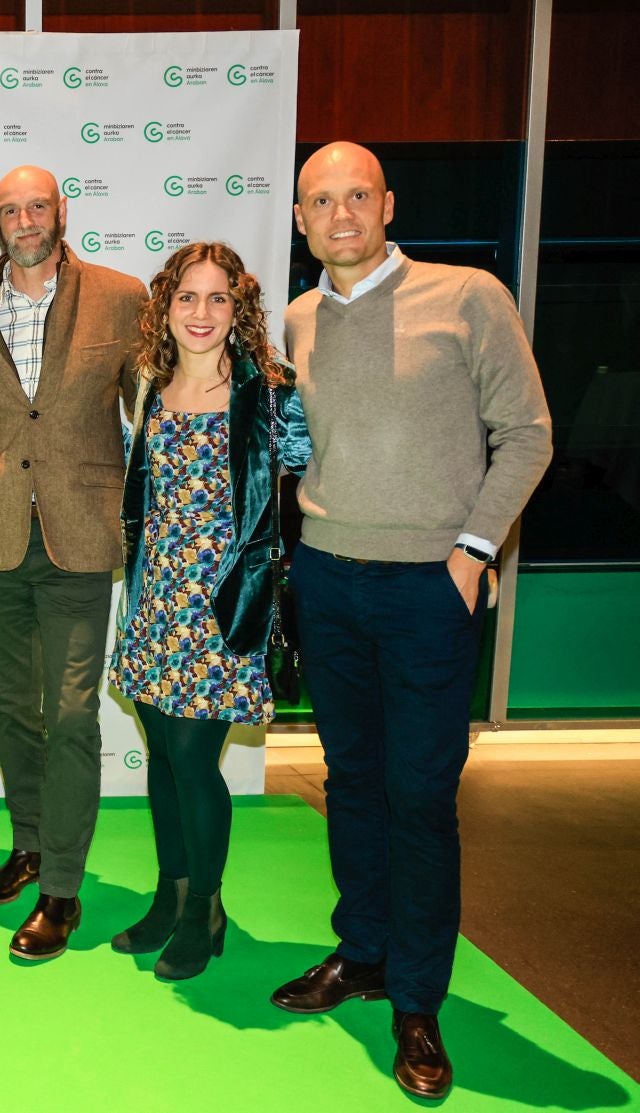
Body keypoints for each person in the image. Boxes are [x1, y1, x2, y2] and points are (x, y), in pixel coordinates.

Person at [268, 141, 551, 1100]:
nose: (339, 213)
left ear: (388, 203)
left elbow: (529, 432)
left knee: (421, 798)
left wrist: (473, 551)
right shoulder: (300, 318)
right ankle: (365, 953)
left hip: (430, 585)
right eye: (320, 200)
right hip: (328, 579)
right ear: (301, 219)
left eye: (356, 195)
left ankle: (419, 1000)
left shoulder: (469, 295)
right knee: (350, 782)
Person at [0, 165, 145, 960]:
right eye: (9, 210)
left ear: (61, 211)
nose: (25, 220)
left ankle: (61, 887)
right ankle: (28, 845)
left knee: (70, 715)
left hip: (81, 535)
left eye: (37, 206)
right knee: (12, 707)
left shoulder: (123, 297)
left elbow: (147, 402)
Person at [108, 242, 309, 980]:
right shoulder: (147, 384)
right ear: (165, 307)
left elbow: (312, 487)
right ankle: (170, 895)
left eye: (217, 298)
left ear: (239, 307)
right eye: (186, 297)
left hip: (225, 606)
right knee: (163, 757)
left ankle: (205, 911)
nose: (201, 312)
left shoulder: (272, 394)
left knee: (195, 761)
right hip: (157, 599)